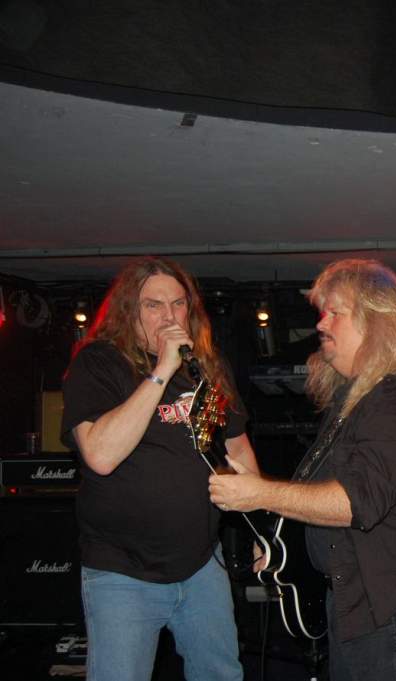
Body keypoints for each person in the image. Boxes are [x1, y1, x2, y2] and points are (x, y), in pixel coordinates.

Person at [209, 258, 396, 681]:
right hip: (355, 599)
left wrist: (260, 493)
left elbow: (355, 502)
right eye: (322, 312)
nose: (321, 323)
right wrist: (283, 541)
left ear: (375, 323)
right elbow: (324, 491)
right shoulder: (354, 401)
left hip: (385, 606)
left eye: (336, 312)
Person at [61, 257, 257, 681]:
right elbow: (100, 455)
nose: (169, 317)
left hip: (201, 564)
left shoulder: (204, 368)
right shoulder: (99, 364)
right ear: (129, 311)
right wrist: (162, 371)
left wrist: (259, 524)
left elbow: (234, 446)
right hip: (123, 570)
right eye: (154, 305)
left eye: (178, 304)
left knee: (221, 674)